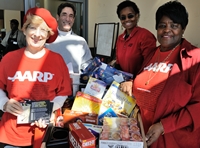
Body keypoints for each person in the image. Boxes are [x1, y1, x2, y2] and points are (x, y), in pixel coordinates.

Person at [121, 1, 200, 147]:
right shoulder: (152, 54)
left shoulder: (195, 59)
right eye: (162, 25)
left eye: (174, 26)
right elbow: (146, 80)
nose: (167, 30)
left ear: (183, 29)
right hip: (142, 134)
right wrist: (132, 84)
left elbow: (198, 107)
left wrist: (164, 126)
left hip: (173, 139)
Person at [0, 7, 72, 147]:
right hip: (12, 134)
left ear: (48, 34)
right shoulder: (9, 59)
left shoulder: (57, 60)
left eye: (43, 30)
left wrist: (49, 110)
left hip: (44, 132)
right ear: (25, 30)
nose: (37, 34)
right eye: (32, 28)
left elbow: (63, 93)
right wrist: (4, 103)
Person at [45, 2, 92, 74]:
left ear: (73, 19)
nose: (67, 19)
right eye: (64, 15)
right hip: (52, 83)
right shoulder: (47, 40)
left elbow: (87, 64)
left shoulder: (80, 41)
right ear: (57, 17)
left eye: (71, 16)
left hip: (74, 83)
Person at [113, 0, 156, 78]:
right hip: (123, 82)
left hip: (139, 82)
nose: (127, 20)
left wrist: (134, 81)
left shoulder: (145, 36)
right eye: (123, 17)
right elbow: (118, 63)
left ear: (137, 16)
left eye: (130, 16)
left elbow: (149, 65)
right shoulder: (120, 38)